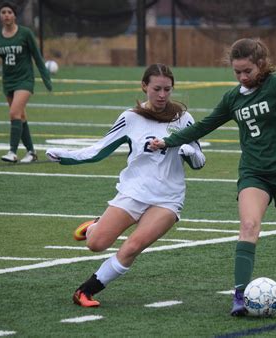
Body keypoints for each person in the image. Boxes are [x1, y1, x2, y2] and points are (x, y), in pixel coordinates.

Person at [150, 38, 276, 316]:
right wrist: (168, 141)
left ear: (261, 65)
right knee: (249, 226)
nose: (243, 77)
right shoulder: (232, 98)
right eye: (237, 72)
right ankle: (239, 296)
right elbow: (204, 125)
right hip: (254, 172)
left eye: (248, 71)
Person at [45, 63, 206, 307]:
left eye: (168, 90)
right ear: (144, 87)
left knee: (132, 247)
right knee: (95, 245)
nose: (162, 95)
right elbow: (99, 151)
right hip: (133, 193)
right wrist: (65, 156)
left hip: (168, 199)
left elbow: (200, 161)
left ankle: (85, 292)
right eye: (157, 89)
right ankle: (94, 228)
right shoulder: (130, 118)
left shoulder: (183, 119)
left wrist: (187, 151)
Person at [0, 1, 52, 163]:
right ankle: (31, 152)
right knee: (20, 116)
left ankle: (12, 152)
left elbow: (37, 57)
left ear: (15, 15)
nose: (6, 15)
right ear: (0, 16)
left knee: (13, 113)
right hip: (8, 82)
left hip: (25, 80)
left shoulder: (25, 33)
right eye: (3, 12)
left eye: (9, 12)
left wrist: (46, 78)